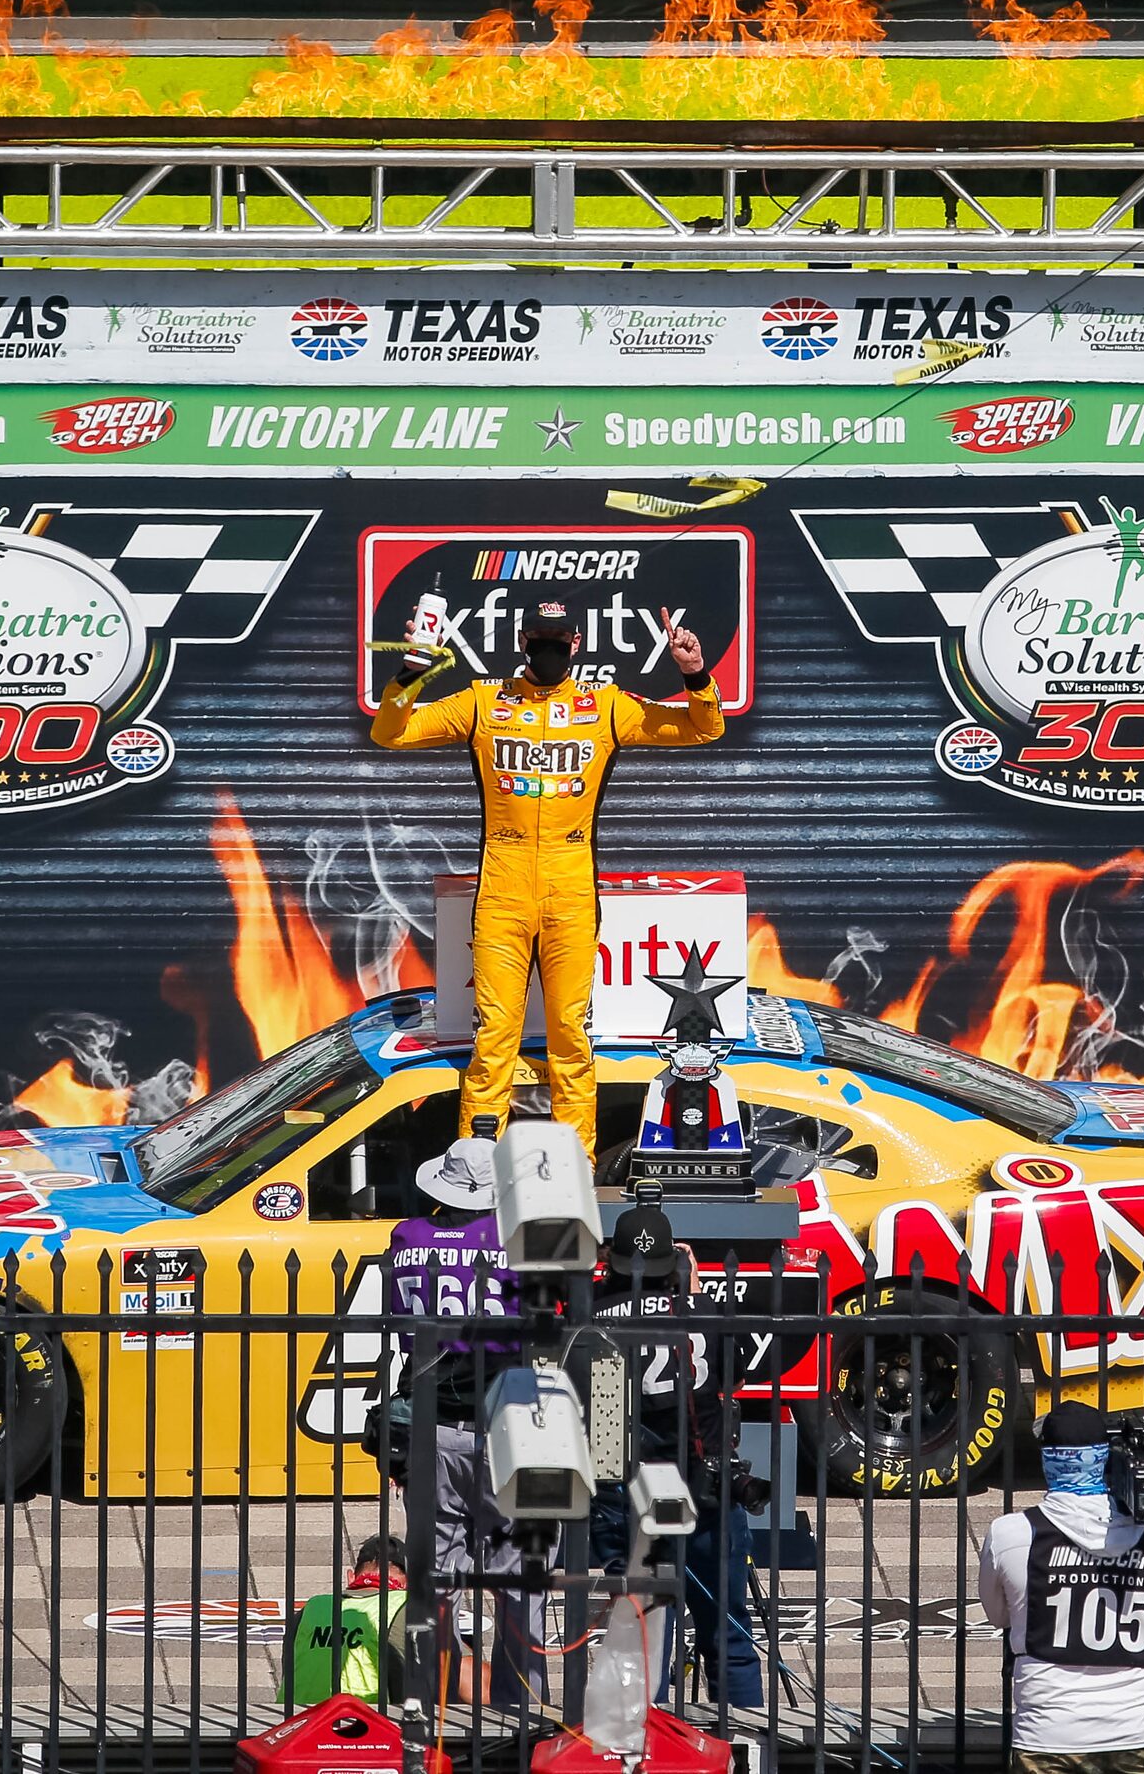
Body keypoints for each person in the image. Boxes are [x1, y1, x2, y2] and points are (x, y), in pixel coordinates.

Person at [371, 594, 723, 1158]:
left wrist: (695, 674)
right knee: (494, 1042)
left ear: (576, 645)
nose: (550, 651)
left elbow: (702, 729)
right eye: (540, 642)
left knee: (569, 1039)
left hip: (571, 886)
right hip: (503, 886)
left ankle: (576, 1170)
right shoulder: (487, 700)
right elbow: (392, 733)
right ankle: (475, 1174)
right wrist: (409, 675)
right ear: (522, 643)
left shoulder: (605, 704)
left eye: (559, 643)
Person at [386, 1134, 545, 1714]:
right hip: (504, 1423)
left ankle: (427, 1706)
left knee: (435, 1579)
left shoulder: (406, 1238)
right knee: (519, 1575)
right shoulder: (512, 1237)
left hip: (429, 1423)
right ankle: (518, 1703)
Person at [587, 1202, 762, 1711]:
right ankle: (746, 1745)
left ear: (613, 1261)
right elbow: (736, 1381)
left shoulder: (596, 1324)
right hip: (706, 1491)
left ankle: (653, 1748)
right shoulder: (705, 1313)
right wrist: (694, 1293)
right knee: (728, 1637)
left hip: (632, 1497)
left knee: (643, 1638)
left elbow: (602, 1430)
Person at [978, 1401, 1144, 1774]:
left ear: (1048, 1460)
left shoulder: (1011, 1534)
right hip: (1138, 1731)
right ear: (1104, 1459)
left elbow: (998, 1613)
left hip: (1048, 1734)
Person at [281, 1534, 408, 1705]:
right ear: (408, 1584)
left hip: (297, 1725)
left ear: (351, 1577)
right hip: (365, 1727)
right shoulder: (404, 1607)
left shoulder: (311, 1609)